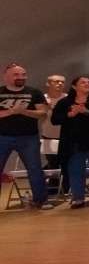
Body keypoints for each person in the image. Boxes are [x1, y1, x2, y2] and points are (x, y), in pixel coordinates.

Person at [51, 76, 89, 208]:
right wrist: (69, 115)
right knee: (75, 170)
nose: (87, 84)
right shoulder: (65, 102)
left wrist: (87, 112)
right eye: (83, 82)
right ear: (74, 86)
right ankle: (78, 198)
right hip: (73, 141)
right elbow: (54, 120)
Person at [1, 63, 51, 209]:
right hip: (2, 137)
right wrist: (11, 112)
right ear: (6, 77)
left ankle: (41, 200)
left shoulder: (34, 92)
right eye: (16, 74)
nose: (21, 77)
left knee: (35, 169)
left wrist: (23, 111)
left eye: (23, 74)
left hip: (29, 137)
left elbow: (42, 113)